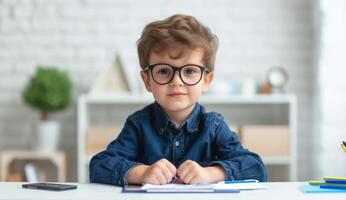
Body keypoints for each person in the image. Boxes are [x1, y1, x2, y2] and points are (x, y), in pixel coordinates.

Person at [89, 14, 267, 186]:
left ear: (206, 81)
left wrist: (209, 174)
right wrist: (143, 173)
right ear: (147, 80)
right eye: (164, 71)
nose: (176, 81)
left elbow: (256, 168)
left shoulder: (213, 126)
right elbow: (99, 165)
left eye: (189, 71)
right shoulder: (138, 125)